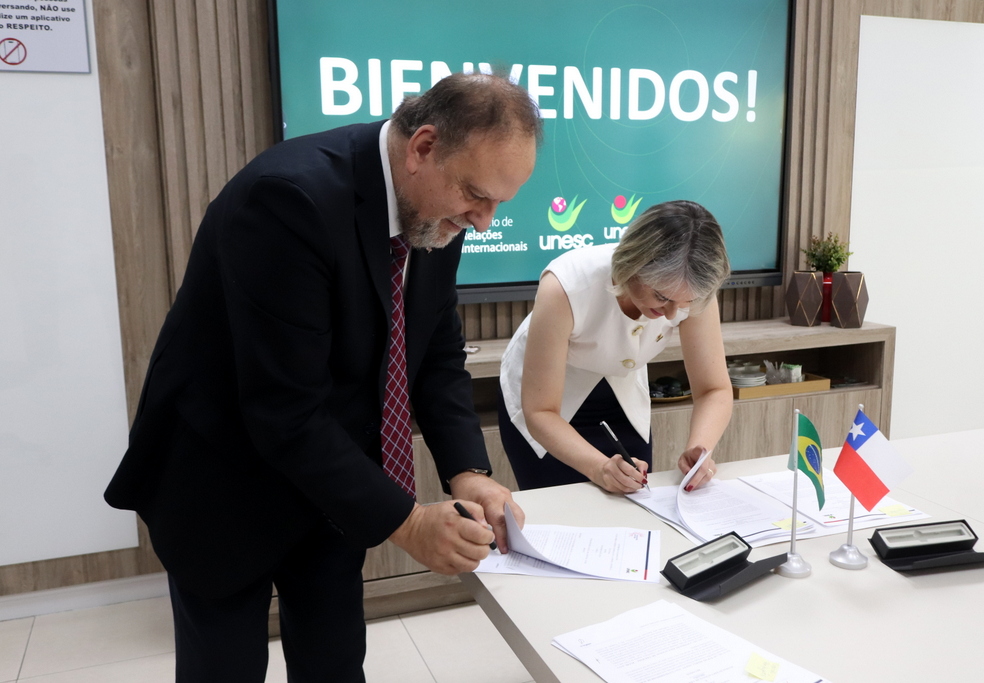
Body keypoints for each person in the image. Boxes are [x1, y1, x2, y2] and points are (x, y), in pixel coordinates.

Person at [104, 73, 540, 682]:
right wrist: (411, 522)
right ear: (423, 147)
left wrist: (469, 471)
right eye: (476, 196)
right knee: (223, 669)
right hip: (224, 481)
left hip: (332, 480)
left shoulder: (437, 210)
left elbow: (436, 355)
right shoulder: (289, 200)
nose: (485, 221)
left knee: (333, 663)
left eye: (498, 204)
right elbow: (283, 408)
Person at [498, 200, 733, 494]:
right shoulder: (565, 285)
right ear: (634, 266)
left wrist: (700, 449)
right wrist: (598, 467)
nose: (673, 314)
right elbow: (540, 412)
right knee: (561, 508)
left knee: (633, 499)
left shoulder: (692, 288)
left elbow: (713, 389)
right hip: (546, 406)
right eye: (662, 297)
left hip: (622, 399)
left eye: (685, 303)